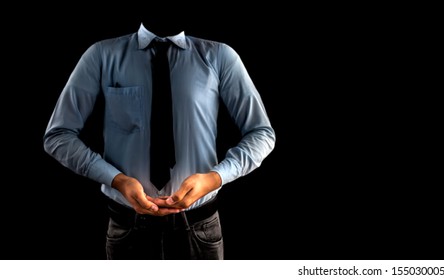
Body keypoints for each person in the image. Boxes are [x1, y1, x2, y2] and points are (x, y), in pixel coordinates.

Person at [43, 19, 275, 260]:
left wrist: (215, 178)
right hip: (127, 229)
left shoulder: (219, 56)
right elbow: (58, 135)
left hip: (199, 229)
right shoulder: (101, 55)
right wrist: (117, 180)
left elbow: (261, 133)